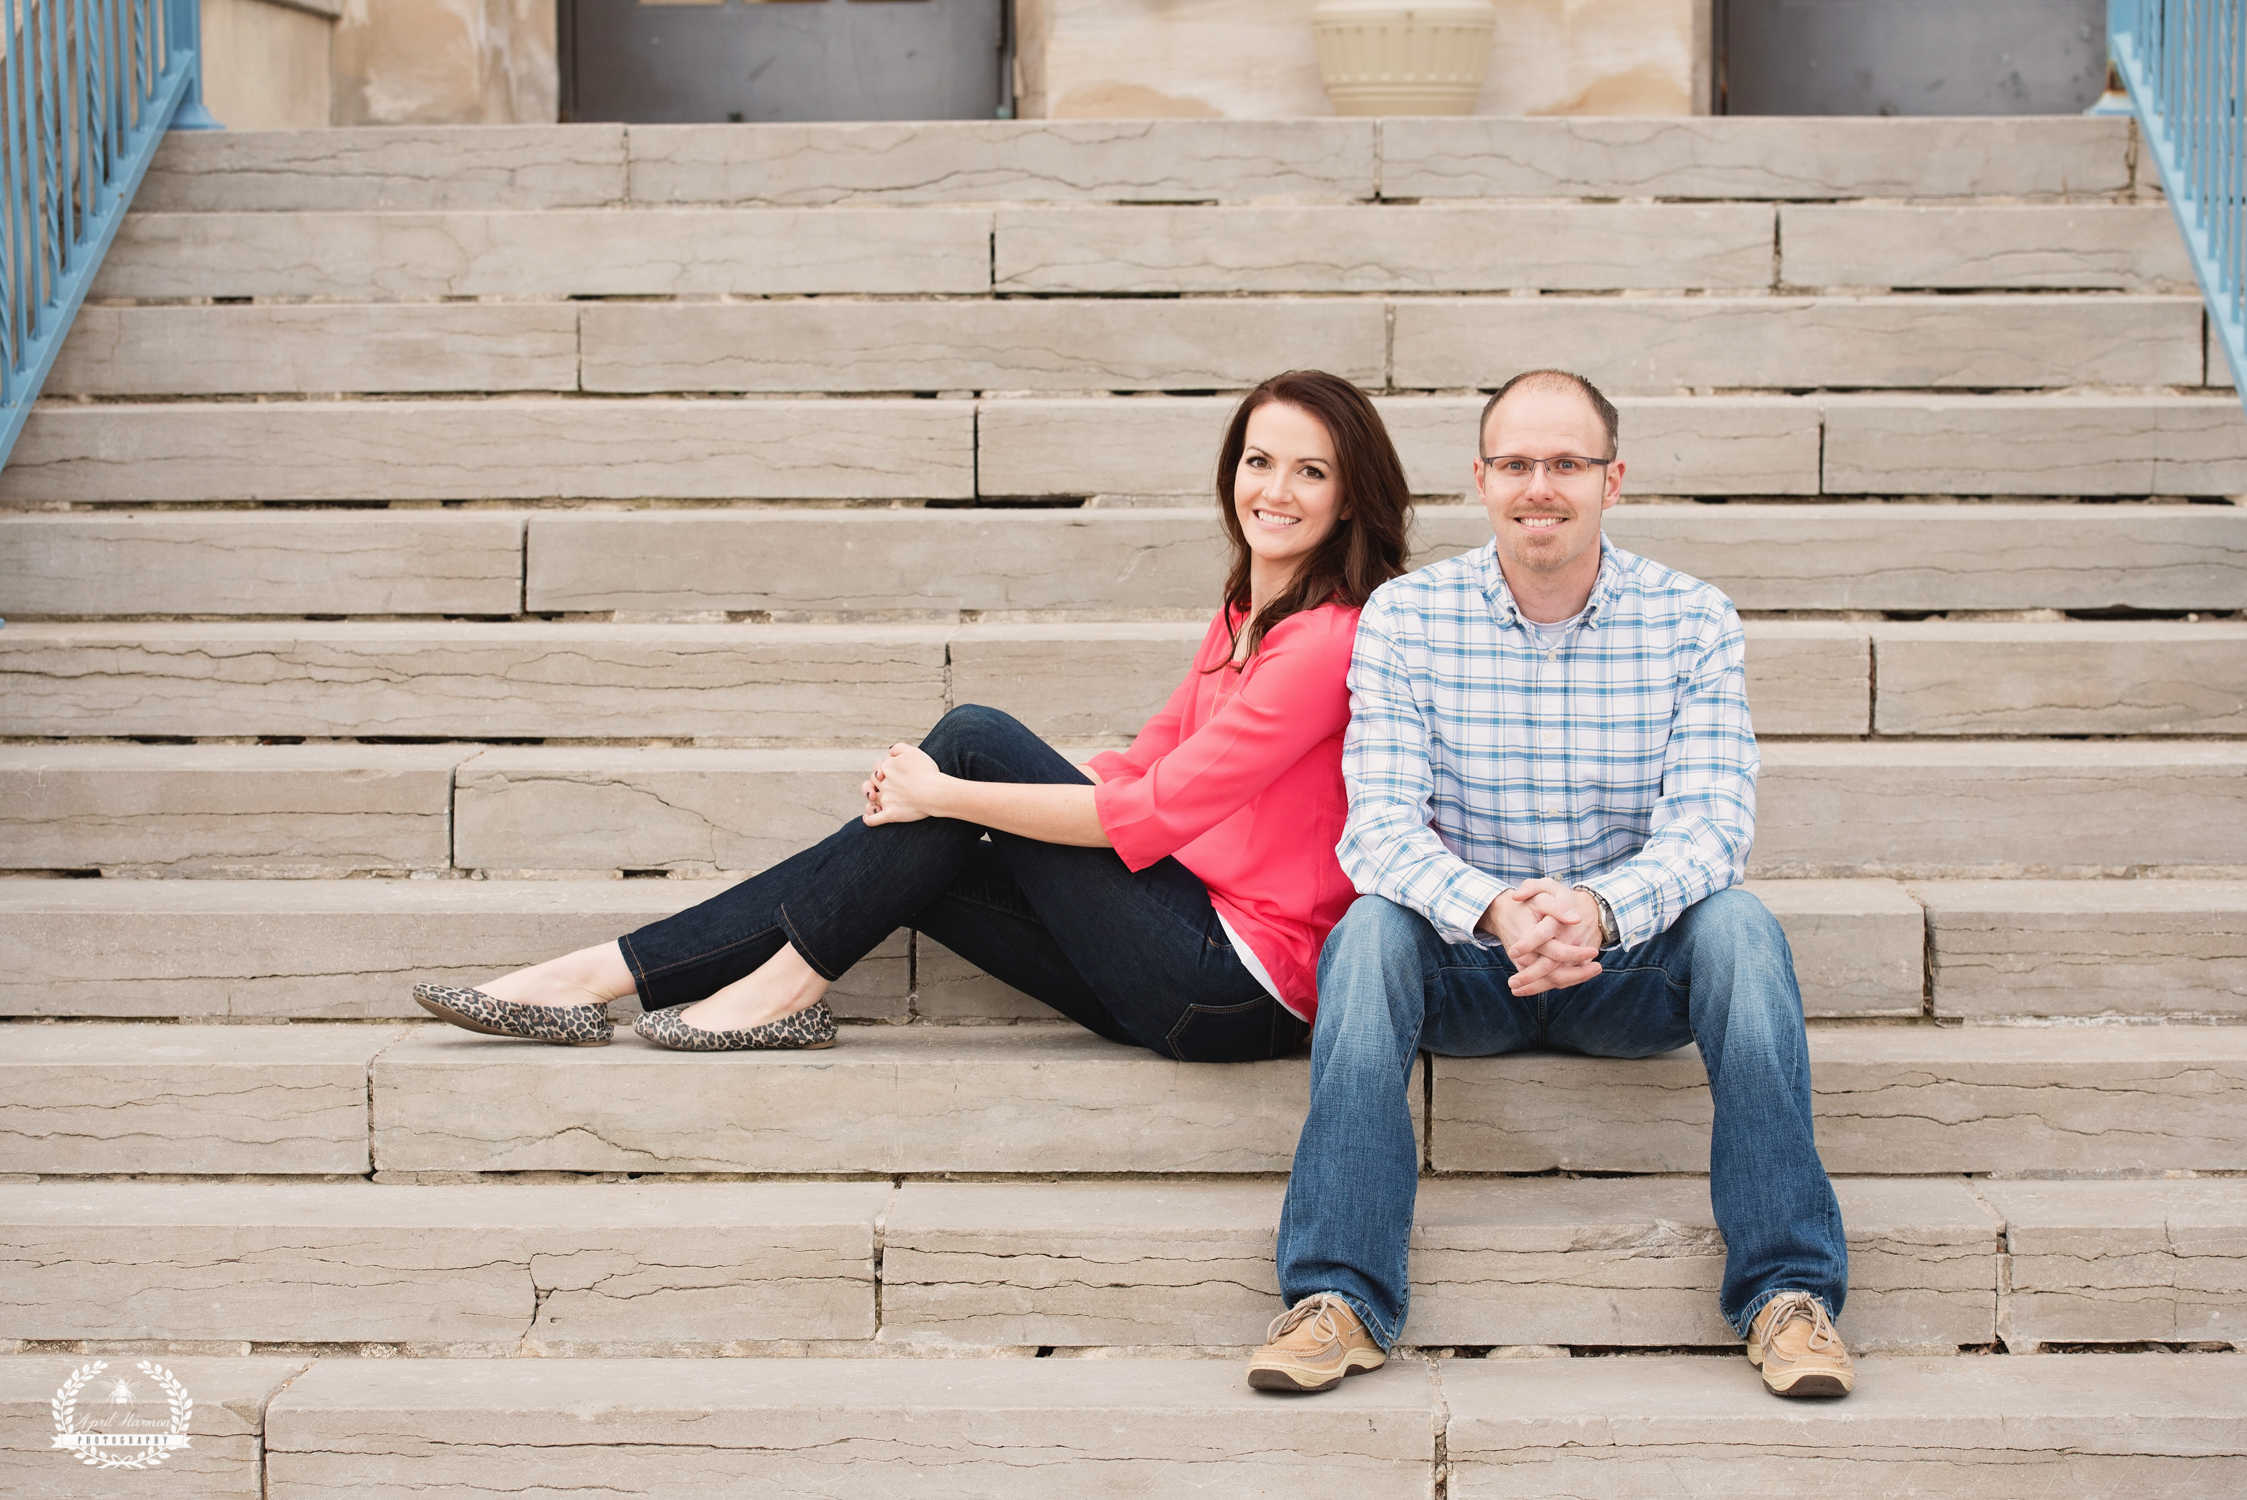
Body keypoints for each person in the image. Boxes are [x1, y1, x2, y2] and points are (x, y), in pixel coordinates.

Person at [412, 370, 1412, 1062]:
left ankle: (748, 990)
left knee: (970, 737)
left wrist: (952, 784)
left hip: (1237, 987)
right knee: (914, 848)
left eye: (1309, 471)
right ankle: (604, 976)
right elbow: (1136, 766)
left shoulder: (1324, 640)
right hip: (1169, 960)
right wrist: (947, 809)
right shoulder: (1248, 613)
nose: (1273, 490)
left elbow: (1145, 818)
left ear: (1350, 498)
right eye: (1258, 461)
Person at [1246, 369, 1853, 1399]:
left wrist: (1598, 910)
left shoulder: (1692, 620)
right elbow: (1379, 829)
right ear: (1480, 480)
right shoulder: (1407, 619)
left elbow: (1713, 828)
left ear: (1613, 481)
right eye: (1518, 464)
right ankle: (1338, 1297)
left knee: (1742, 928)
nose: (1541, 486)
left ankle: (1788, 1296)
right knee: (1366, 935)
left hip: (1628, 976)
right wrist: (1495, 910)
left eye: (1566, 464)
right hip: (1466, 972)